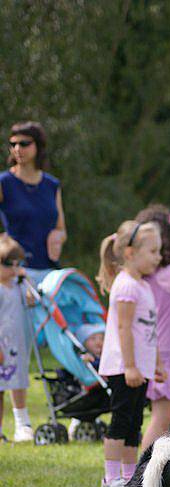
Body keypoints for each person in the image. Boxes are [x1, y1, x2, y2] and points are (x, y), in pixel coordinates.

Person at [0, 121, 67, 441]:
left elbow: (60, 225)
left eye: (24, 143)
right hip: (14, 274)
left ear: (37, 147)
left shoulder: (51, 184)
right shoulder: (4, 182)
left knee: (62, 337)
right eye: (12, 143)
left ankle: (73, 405)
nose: (17, 149)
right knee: (18, 346)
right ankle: (22, 420)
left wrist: (58, 236)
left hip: (47, 272)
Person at [96, 221, 165, 487]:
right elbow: (123, 328)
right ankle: (110, 478)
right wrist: (131, 366)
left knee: (135, 421)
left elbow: (148, 330)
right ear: (130, 253)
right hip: (124, 367)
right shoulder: (126, 287)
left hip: (140, 368)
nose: (158, 257)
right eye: (153, 251)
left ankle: (128, 475)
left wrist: (155, 363)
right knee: (121, 419)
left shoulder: (143, 285)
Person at [133, 205, 170, 450]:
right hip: (164, 356)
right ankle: (142, 472)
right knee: (162, 418)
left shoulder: (147, 275)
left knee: (162, 419)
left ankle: (154, 469)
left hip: (151, 351)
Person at [0, 235, 32, 442]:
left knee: (18, 382)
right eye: (7, 264)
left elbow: (32, 299)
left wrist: (25, 277)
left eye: (17, 264)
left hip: (17, 345)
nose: (13, 269)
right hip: (2, 346)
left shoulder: (19, 286)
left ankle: (22, 424)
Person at [67, 324, 106, 441]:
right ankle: (76, 423)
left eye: (101, 339)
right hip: (88, 386)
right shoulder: (86, 357)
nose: (98, 342)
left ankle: (93, 421)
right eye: (93, 339)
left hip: (101, 387)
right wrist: (86, 360)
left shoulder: (105, 356)